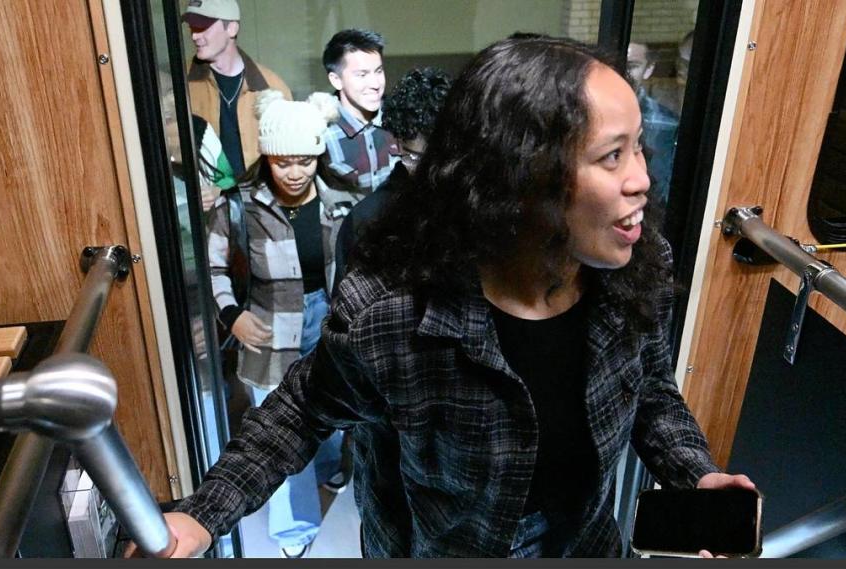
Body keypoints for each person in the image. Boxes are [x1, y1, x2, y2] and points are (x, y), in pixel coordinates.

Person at [140, 35, 755, 558]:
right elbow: (299, 412)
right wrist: (201, 516)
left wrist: (696, 475)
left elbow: (647, 389)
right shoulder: (396, 314)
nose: (642, 178)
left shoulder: (633, 269)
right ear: (521, 176)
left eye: (638, 146)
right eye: (611, 155)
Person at [205, 89, 355, 558]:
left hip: (331, 321)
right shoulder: (240, 206)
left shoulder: (341, 200)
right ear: (267, 156)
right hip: (269, 328)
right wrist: (233, 316)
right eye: (283, 161)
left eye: (305, 161)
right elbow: (211, 269)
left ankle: (332, 467)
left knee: (332, 409)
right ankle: (294, 529)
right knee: (280, 426)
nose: (294, 172)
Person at [333, 66, 452, 285]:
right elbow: (346, 308)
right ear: (398, 144)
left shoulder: (470, 204)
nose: (429, 170)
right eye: (414, 157)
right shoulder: (369, 218)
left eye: (439, 158)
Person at [183, 0, 292, 177]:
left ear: (232, 28)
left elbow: (288, 156)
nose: (195, 36)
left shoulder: (272, 88)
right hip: (204, 199)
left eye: (202, 26)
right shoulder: (178, 85)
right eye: (192, 27)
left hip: (258, 199)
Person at [321, 29, 399, 194]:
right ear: (336, 80)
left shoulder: (399, 119)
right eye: (362, 75)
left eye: (379, 71)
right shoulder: (321, 131)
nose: (375, 84)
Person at [626, 42, 679, 204]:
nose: (622, 72)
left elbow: (662, 188)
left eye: (632, 66)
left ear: (649, 69)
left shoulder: (665, 124)